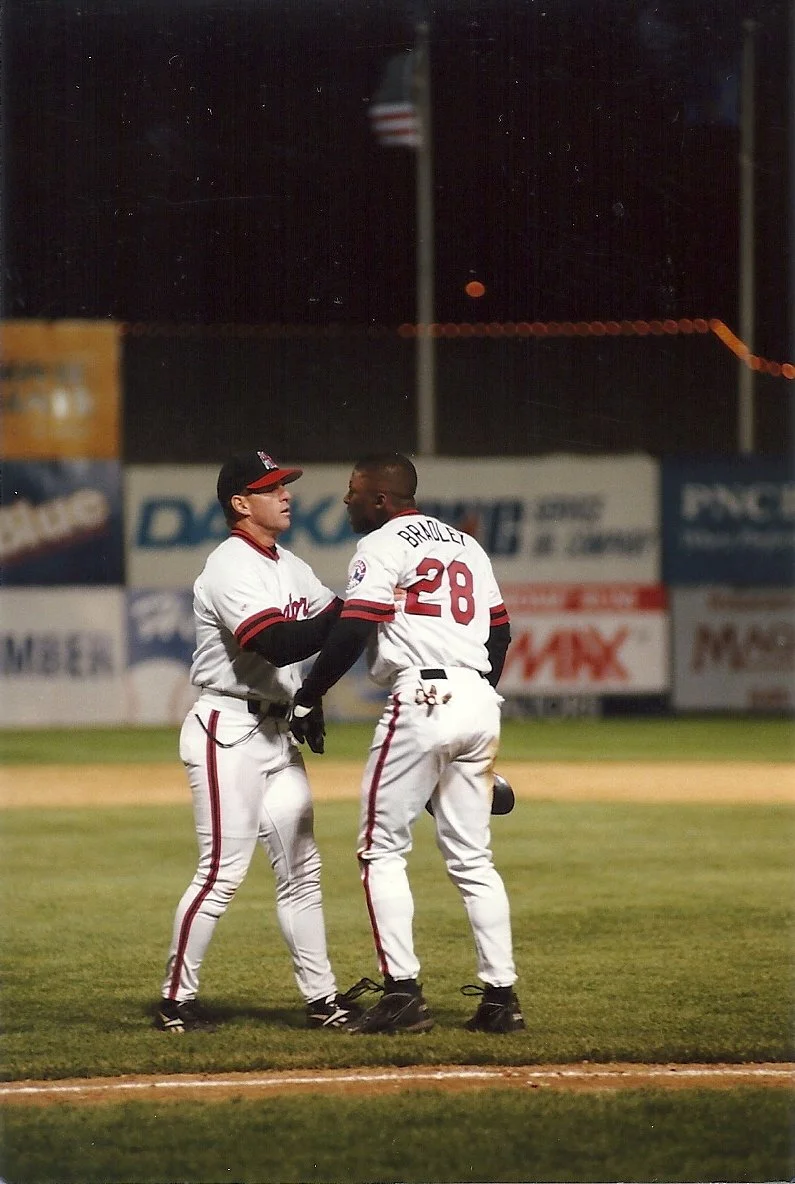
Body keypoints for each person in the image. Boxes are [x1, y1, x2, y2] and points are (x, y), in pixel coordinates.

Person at [290, 453, 524, 1035]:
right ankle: (501, 1000)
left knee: (381, 850)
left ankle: (402, 994)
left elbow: (355, 624)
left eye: (354, 491)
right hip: (477, 698)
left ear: (381, 499)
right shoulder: (466, 545)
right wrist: (474, 695)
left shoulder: (382, 544)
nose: (347, 500)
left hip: (422, 696)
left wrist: (309, 695)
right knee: (473, 859)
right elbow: (500, 632)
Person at [155, 449, 370, 1033]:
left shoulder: (290, 565)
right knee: (221, 873)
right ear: (240, 503)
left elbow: (340, 625)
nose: (286, 494)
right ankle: (175, 999)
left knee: (303, 872)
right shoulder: (229, 566)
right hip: (227, 730)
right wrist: (354, 611)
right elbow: (276, 643)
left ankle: (322, 1000)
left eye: (284, 485)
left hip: (277, 733)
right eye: (271, 487)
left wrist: (313, 694)